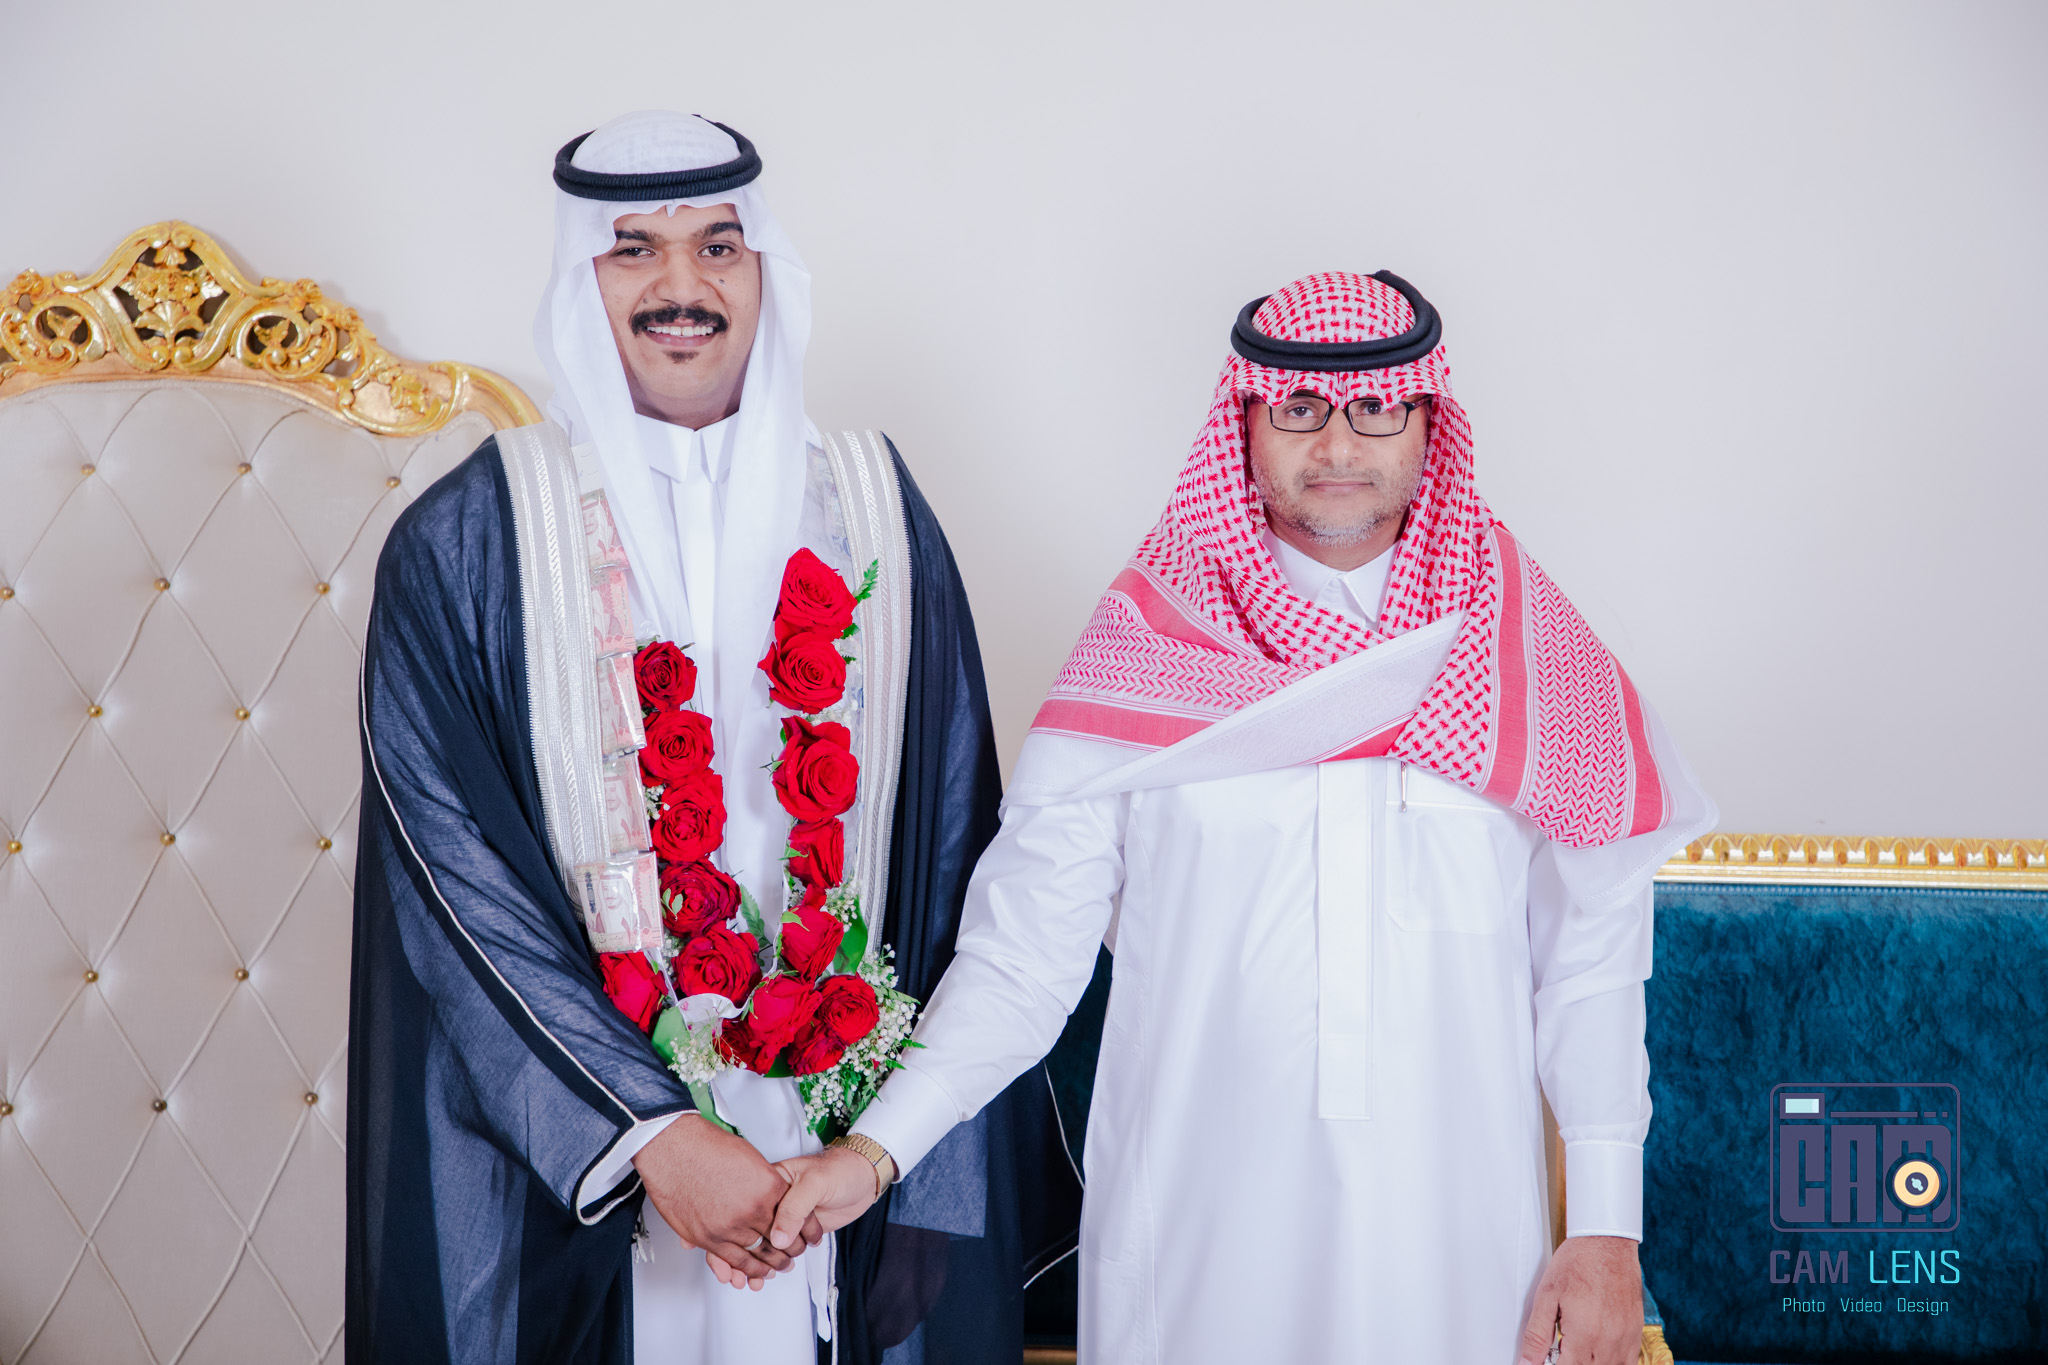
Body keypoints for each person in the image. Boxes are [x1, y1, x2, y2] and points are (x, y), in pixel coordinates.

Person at [768, 271, 1717, 1363]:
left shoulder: (1526, 658)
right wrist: (874, 1152)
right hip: (1194, 1245)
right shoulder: (1143, 657)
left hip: (1454, 1249)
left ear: (1427, 422)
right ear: (1246, 424)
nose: (1339, 444)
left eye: (1377, 407)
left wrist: (1604, 1230)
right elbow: (1022, 962)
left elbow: (1590, 965)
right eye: (1299, 409)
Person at [346, 111, 1078, 1365]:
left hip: (836, 1148)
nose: (679, 286)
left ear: (762, 271)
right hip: (586, 1148)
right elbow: (452, 885)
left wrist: (881, 1143)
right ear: (580, 279)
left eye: (717, 248)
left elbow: (952, 851)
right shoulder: (469, 540)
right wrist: (655, 1134)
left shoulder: (875, 511)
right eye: (633, 249)